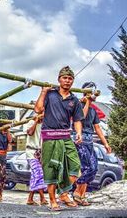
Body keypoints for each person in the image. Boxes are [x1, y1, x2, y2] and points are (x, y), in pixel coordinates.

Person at [34, 66, 83, 212]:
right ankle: (52, 200)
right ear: (59, 79)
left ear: (72, 81)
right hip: (49, 136)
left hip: (66, 136)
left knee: (75, 166)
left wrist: (79, 132)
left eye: (70, 78)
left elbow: (78, 119)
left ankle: (63, 193)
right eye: (65, 78)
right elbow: (38, 110)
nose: (67, 81)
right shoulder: (50, 94)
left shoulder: (74, 100)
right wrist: (43, 92)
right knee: (52, 169)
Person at [73, 82, 112, 206]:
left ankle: (80, 195)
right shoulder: (78, 104)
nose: (93, 94)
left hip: (90, 141)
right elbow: (81, 117)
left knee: (93, 169)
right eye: (90, 92)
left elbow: (98, 128)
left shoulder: (93, 111)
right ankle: (77, 194)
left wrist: (106, 144)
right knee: (87, 168)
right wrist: (87, 102)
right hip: (80, 138)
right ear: (85, 92)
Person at [23, 114, 48, 206]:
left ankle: (30, 198)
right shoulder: (31, 122)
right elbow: (29, 133)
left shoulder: (45, 125)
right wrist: (36, 121)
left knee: (35, 175)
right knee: (39, 173)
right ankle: (42, 198)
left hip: (41, 153)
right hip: (31, 152)